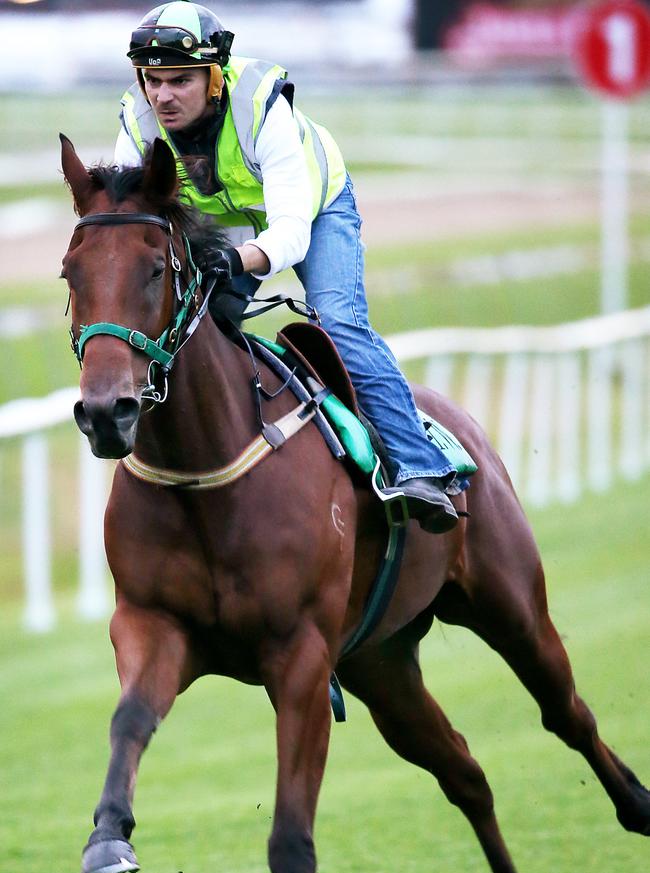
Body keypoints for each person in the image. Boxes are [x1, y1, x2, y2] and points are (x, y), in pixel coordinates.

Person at [115, 0, 460, 533]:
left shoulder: (261, 105)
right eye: (151, 81)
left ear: (213, 79)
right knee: (191, 329)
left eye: (179, 81)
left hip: (314, 209)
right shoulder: (136, 122)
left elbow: (291, 235)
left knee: (339, 322)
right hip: (226, 220)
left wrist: (231, 261)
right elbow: (129, 219)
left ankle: (420, 465)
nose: (161, 96)